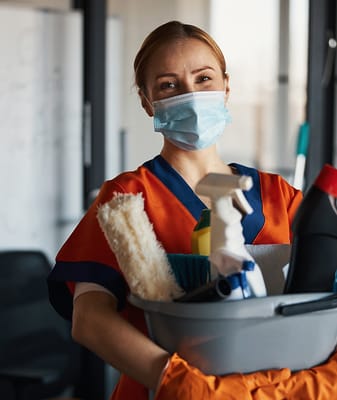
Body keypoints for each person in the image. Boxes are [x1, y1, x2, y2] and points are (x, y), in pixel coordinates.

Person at [48, 20, 337, 400]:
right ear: (147, 100)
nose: (191, 95)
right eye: (169, 85)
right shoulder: (126, 199)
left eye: (204, 79)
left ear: (226, 87)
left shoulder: (278, 195)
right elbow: (89, 319)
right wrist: (179, 384)